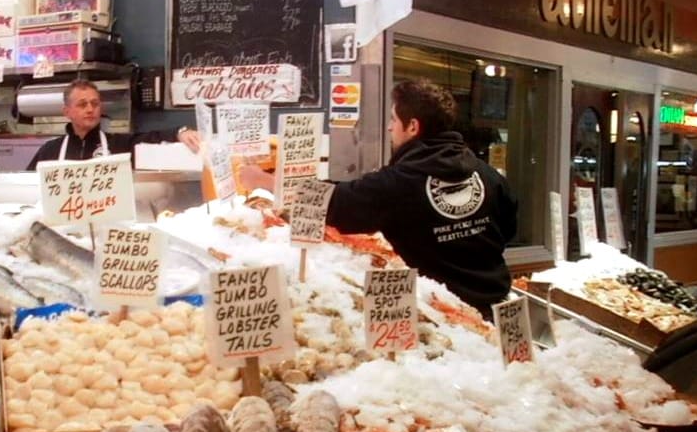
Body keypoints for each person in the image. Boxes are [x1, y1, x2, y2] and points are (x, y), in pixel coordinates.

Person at [243, 78, 513, 313]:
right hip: (498, 303)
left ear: (413, 127)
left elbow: (336, 202)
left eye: (393, 120)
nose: (388, 128)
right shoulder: (489, 175)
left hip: (448, 315)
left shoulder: (401, 182)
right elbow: (509, 229)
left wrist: (264, 180)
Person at [25, 79, 201, 168]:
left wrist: (180, 131)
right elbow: (24, 186)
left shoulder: (119, 145)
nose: (89, 109)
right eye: (82, 104)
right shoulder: (49, 150)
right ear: (67, 112)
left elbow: (153, 138)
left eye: (95, 104)